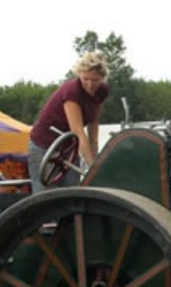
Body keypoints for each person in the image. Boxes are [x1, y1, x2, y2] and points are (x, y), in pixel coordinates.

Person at [28, 51, 110, 193]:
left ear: (102, 78)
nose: (90, 84)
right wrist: (92, 166)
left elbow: (93, 121)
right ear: (79, 75)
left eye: (95, 80)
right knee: (46, 195)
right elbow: (78, 131)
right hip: (45, 146)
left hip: (68, 148)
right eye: (85, 79)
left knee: (72, 192)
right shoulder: (72, 92)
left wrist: (94, 151)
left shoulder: (102, 91)